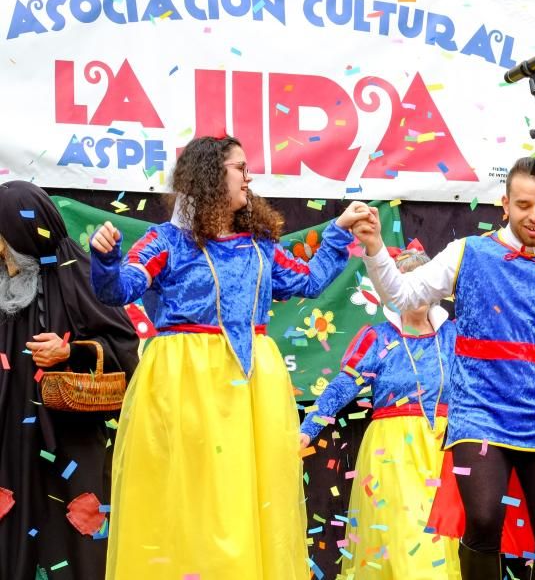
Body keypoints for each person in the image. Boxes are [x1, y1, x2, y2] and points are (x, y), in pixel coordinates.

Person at [88, 135, 375, 580]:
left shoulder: (259, 246)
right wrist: (104, 260)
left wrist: (340, 229)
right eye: (240, 167)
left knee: (244, 497)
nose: (250, 176)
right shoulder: (167, 241)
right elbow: (118, 290)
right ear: (210, 175)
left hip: (251, 391)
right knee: (195, 500)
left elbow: (312, 279)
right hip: (187, 385)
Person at [351, 156, 535, 580]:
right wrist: (376, 249)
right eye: (523, 205)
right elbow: (405, 297)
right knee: (485, 518)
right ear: (504, 204)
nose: (534, 215)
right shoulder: (467, 252)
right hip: (479, 412)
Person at [0, 181, 140, 580]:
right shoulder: (1, 285)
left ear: (23, 232)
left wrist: (71, 352)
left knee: (76, 536)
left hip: (70, 441)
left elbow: (125, 347)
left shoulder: (78, 275)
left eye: (2, 238)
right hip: (12, 444)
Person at [299, 242, 460, 579]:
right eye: (405, 282)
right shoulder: (378, 337)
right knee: (409, 539)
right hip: (394, 455)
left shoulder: (453, 337)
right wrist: (309, 428)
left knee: (441, 547)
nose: (415, 291)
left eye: (422, 281)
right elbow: (344, 384)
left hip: (443, 452)